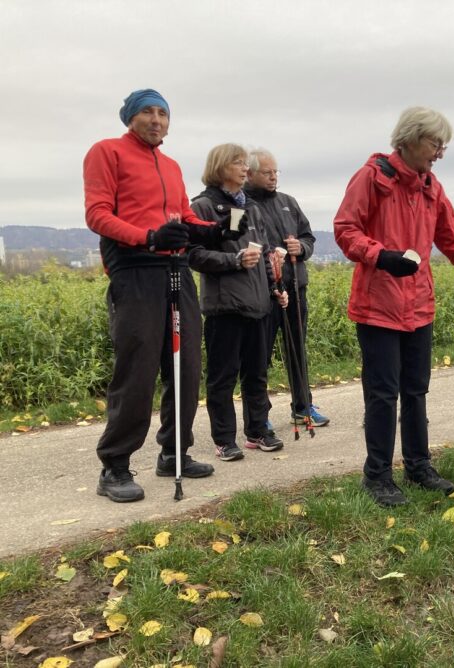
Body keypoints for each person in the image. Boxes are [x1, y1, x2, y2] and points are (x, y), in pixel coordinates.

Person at [334, 106, 454, 507]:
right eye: (435, 143)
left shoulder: (431, 187)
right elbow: (345, 229)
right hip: (377, 306)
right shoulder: (372, 177)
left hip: (418, 306)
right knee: (383, 394)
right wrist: (380, 255)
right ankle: (378, 476)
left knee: (416, 390)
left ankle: (419, 465)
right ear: (410, 138)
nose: (440, 152)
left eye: (443, 145)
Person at [84, 89, 240, 502]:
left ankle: (174, 452)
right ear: (130, 118)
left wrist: (213, 231)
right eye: (147, 112)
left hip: (175, 271)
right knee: (136, 369)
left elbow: (183, 217)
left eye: (163, 113)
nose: (156, 120)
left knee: (186, 366)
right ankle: (115, 465)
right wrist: (148, 237)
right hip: (134, 271)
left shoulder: (170, 165)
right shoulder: (107, 152)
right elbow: (97, 214)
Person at [189, 143, 288, 462]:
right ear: (219, 166)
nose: (245, 168)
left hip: (259, 303)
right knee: (223, 375)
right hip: (225, 306)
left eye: (246, 163)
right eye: (237, 163)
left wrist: (276, 286)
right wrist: (234, 260)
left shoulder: (252, 208)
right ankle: (223, 439)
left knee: (257, 372)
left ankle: (258, 431)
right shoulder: (203, 206)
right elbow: (193, 254)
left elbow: (266, 253)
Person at [245, 149, 329, 428]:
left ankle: (303, 406)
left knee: (297, 348)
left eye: (275, 172)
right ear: (251, 173)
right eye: (267, 173)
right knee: (259, 356)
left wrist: (301, 248)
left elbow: (308, 236)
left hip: (295, 286)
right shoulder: (243, 204)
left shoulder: (287, 202)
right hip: (262, 291)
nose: (273, 177)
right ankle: (259, 416)